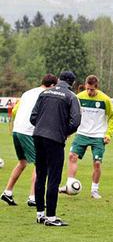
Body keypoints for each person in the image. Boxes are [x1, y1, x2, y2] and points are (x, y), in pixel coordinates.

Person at [30, 71, 81, 226]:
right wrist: (63, 132)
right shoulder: (71, 97)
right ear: (72, 83)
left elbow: (33, 117)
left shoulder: (44, 93)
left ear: (59, 80)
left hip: (38, 136)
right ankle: (51, 217)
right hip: (55, 139)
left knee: (40, 174)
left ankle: (40, 214)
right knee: (54, 177)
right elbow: (76, 121)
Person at [2, 74, 57, 207]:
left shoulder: (27, 93)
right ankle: (33, 197)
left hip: (17, 130)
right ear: (52, 86)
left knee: (22, 162)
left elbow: (15, 110)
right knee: (40, 164)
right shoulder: (46, 94)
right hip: (28, 131)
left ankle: (7, 192)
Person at [61, 75, 113, 199]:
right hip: (82, 133)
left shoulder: (105, 99)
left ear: (96, 88)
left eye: (92, 90)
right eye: (88, 89)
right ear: (85, 86)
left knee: (97, 163)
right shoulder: (78, 97)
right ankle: (69, 184)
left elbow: (112, 117)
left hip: (98, 135)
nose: (89, 92)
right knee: (71, 156)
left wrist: (108, 134)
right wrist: (68, 131)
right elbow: (71, 115)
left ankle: (94, 190)